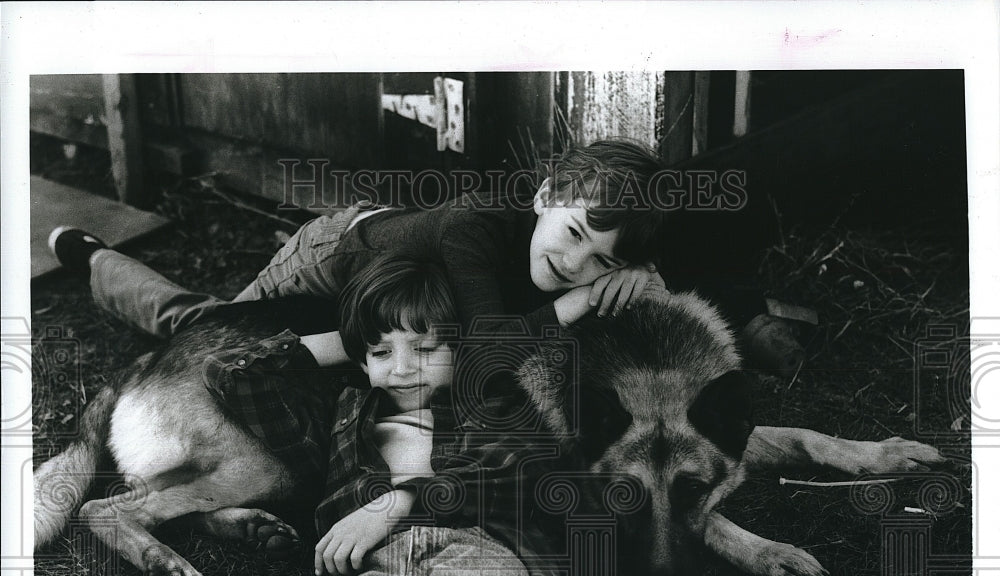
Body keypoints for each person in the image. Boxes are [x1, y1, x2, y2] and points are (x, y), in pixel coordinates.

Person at [47, 138, 804, 373]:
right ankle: (91, 259)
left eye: (601, 262)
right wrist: (573, 307)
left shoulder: (592, 255)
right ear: (545, 196)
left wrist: (643, 276)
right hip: (335, 257)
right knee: (207, 336)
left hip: (410, 291)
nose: (576, 265)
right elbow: (484, 353)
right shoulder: (475, 228)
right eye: (573, 235)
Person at [202, 253, 573, 576]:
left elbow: (507, 476)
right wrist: (349, 341)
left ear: (460, 345)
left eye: (425, 348)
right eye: (382, 353)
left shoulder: (487, 400)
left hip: (475, 552)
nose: (401, 368)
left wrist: (396, 504)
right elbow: (228, 373)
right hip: (373, 568)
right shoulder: (342, 415)